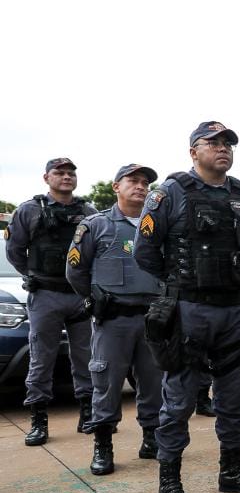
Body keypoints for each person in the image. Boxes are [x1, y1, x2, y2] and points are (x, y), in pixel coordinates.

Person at [134, 121, 240, 493]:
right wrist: (179, 284)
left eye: (228, 143)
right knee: (178, 400)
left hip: (234, 309)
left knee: (233, 397)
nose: (222, 148)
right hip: (189, 310)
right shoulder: (170, 193)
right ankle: (170, 478)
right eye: (213, 142)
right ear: (194, 151)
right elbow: (145, 251)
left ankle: (231, 469)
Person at [67, 163, 163, 473]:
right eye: (133, 181)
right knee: (106, 383)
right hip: (113, 320)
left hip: (151, 319)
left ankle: (152, 439)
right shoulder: (96, 225)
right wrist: (96, 299)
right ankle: (103, 447)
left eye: (145, 182)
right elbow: (76, 270)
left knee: (153, 382)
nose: (140, 186)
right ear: (116, 187)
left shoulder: (157, 225)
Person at [6, 158, 97, 445]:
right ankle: (39, 420)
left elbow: (96, 251)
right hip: (45, 295)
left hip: (80, 296)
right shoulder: (29, 210)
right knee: (41, 358)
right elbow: (15, 251)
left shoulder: (88, 212)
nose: (66, 177)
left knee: (86, 358)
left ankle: (88, 414)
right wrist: (34, 275)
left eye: (71, 173)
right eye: (60, 172)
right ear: (47, 178)